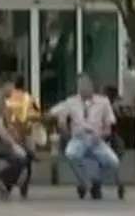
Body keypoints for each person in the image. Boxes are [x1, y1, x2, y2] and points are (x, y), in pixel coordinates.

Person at [49, 73, 125, 201]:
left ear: (92, 86)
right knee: (71, 153)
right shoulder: (71, 102)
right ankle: (85, 182)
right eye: (80, 86)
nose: (83, 88)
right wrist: (64, 128)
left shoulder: (103, 102)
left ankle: (96, 181)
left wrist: (101, 135)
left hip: (97, 139)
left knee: (113, 162)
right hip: (78, 138)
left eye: (86, 85)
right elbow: (55, 115)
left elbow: (109, 126)